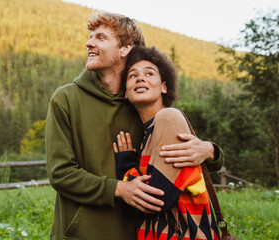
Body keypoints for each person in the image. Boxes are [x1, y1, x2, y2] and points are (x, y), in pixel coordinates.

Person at [45, 11, 223, 240]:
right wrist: (120, 189)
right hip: (79, 234)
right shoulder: (65, 99)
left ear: (125, 48)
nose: (88, 43)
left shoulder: (143, 102)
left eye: (100, 37)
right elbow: (60, 173)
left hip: (137, 233)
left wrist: (209, 151)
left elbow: (181, 158)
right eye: (90, 36)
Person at [114, 46, 221, 240]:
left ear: (164, 87)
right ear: (126, 94)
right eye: (132, 76)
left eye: (149, 73)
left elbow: (156, 200)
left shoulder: (168, 118)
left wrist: (125, 166)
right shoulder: (149, 133)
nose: (140, 78)